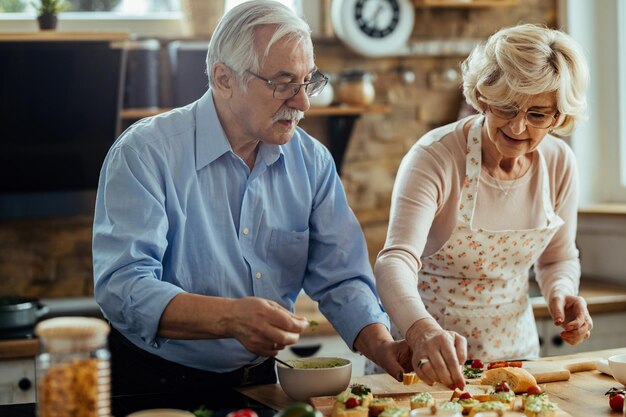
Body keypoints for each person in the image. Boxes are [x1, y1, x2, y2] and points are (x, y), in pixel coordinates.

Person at [92, 0, 411, 402]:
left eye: (308, 81)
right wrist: (228, 317)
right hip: (155, 381)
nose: (303, 103)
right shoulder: (145, 153)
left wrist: (382, 346)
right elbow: (123, 288)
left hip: (259, 380)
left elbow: (341, 277)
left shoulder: (311, 161)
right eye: (283, 83)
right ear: (224, 79)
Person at [373, 24, 593, 389]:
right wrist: (421, 331)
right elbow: (395, 260)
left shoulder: (559, 163)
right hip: (428, 362)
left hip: (516, 358)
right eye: (507, 107)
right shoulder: (435, 158)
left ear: (559, 118)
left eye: (538, 115)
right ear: (483, 96)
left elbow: (558, 258)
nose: (519, 127)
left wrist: (562, 291)